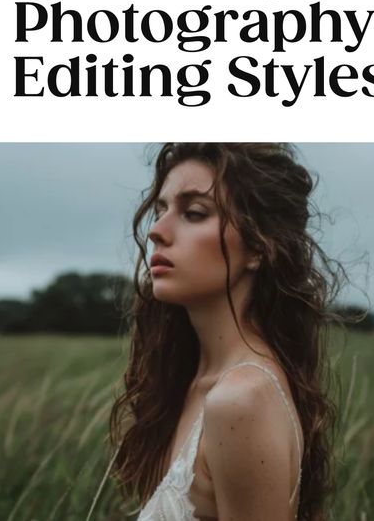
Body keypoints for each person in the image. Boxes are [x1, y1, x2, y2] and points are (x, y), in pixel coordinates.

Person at [110, 143, 341, 520]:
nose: (156, 231)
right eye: (160, 210)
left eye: (195, 213)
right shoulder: (190, 382)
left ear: (258, 247)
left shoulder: (242, 400)